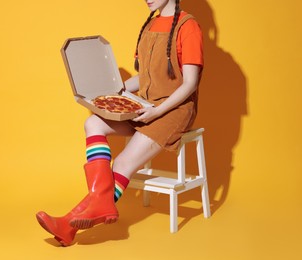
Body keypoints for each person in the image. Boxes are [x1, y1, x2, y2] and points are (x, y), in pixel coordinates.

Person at [36, 0, 203, 246]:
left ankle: (68, 224)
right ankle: (96, 209)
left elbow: (190, 84)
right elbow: (147, 78)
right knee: (93, 123)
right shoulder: (150, 25)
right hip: (144, 105)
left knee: (123, 161)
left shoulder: (189, 27)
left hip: (173, 110)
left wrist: (157, 112)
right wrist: (117, 90)